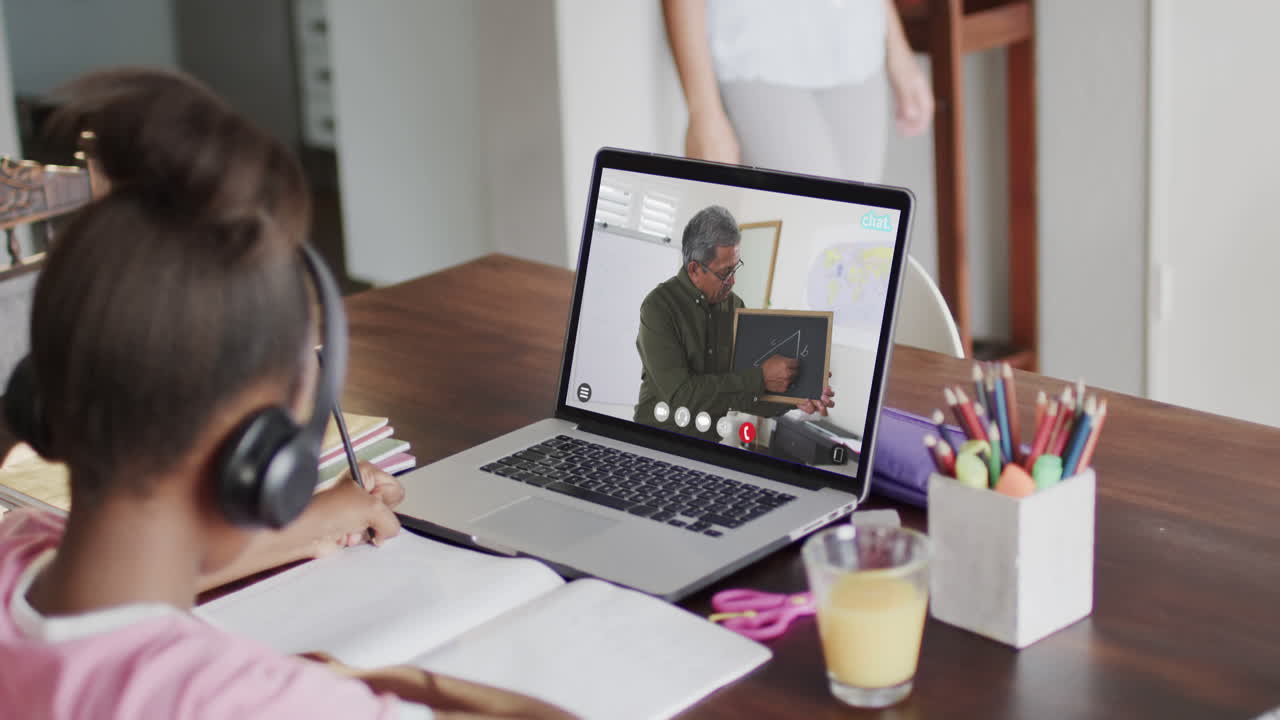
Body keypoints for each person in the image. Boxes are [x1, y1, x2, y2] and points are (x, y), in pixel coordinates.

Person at [0, 68, 573, 720]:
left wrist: (309, 523)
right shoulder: (234, 701)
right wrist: (374, 683)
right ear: (261, 460)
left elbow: (118, 603)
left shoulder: (19, 548)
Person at [662, 0, 934, 182]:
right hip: (754, 51)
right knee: (806, 232)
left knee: (856, 240)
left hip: (857, 44)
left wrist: (898, 47)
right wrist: (703, 111)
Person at [635, 205, 834, 440]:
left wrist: (796, 396)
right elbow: (681, 394)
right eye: (725, 272)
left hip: (708, 446)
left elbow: (744, 395)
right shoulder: (658, 306)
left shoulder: (735, 306)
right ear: (695, 269)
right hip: (655, 441)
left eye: (735, 267)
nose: (733, 281)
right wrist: (760, 378)